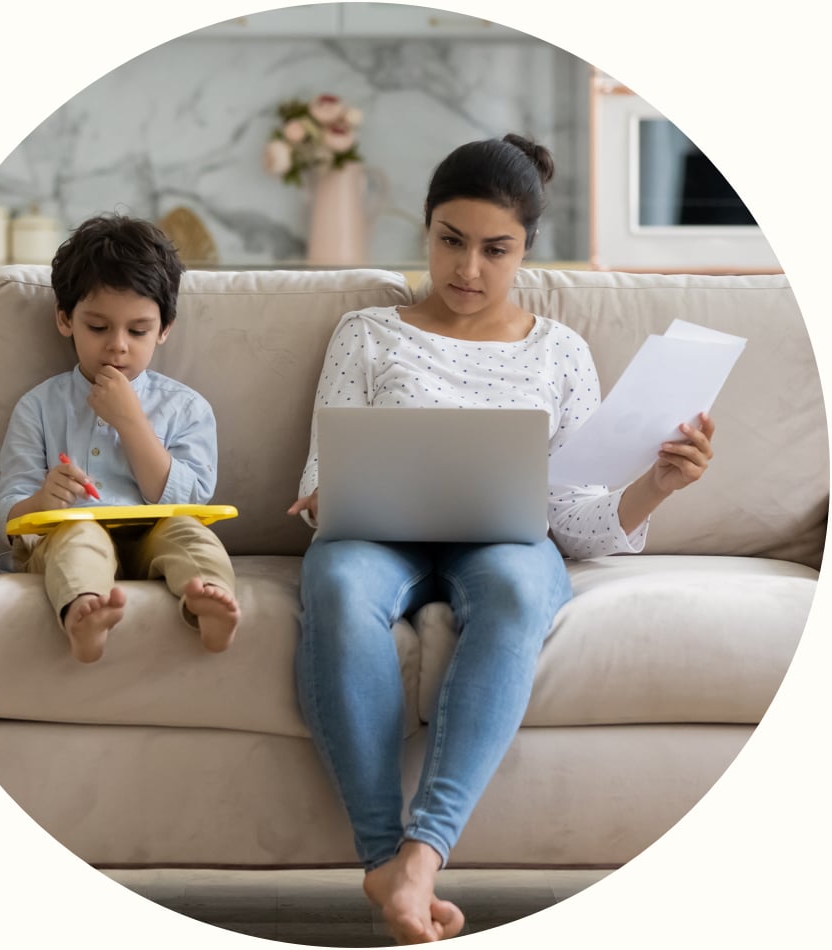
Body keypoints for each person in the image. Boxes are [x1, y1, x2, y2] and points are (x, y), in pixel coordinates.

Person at [288, 133, 714, 943]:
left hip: (507, 542)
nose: (468, 270)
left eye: (495, 249)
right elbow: (320, 471)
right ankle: (382, 857)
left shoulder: (560, 352)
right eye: (451, 241)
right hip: (377, 537)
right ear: (424, 229)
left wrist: (655, 484)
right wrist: (320, 497)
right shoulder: (366, 334)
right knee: (339, 585)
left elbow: (578, 517)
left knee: (520, 588)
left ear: (526, 249)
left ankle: (423, 854)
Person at [0, 214, 240, 663]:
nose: (118, 345)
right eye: (98, 328)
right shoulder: (38, 406)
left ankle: (208, 601)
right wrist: (43, 499)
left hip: (154, 532)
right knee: (80, 534)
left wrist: (132, 422)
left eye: (138, 331)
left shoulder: (186, 408)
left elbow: (194, 497)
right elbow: (7, 512)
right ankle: (84, 612)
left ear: (164, 329)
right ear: (65, 320)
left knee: (187, 533)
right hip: (70, 531)